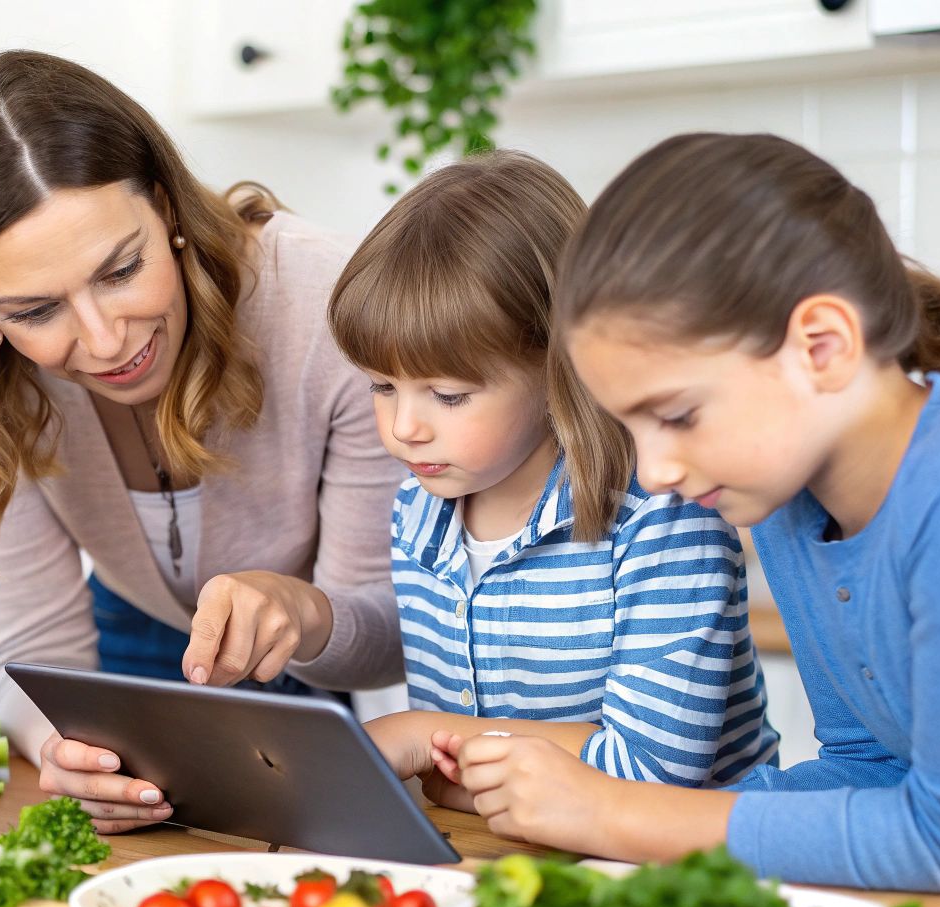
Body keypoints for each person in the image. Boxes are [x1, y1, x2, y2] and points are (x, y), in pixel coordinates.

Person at [442, 131, 940, 896]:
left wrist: (615, 815)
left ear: (821, 347)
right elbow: (867, 770)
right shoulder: (787, 506)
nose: (655, 472)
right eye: (630, 427)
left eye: (676, 416)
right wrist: (611, 814)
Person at [0, 51, 404, 833]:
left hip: (308, 656)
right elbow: (34, 656)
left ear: (165, 209)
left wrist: (306, 614)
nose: (103, 340)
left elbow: (386, 640)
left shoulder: (326, 304)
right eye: (34, 311)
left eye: (121, 270)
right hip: (126, 637)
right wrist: (56, 746)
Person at [329, 151, 777, 808]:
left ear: (556, 360)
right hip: (511, 851)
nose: (404, 428)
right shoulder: (416, 510)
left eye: (448, 395)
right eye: (381, 386)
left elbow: (648, 769)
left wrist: (424, 735)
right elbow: (453, 785)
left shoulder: (662, 513)